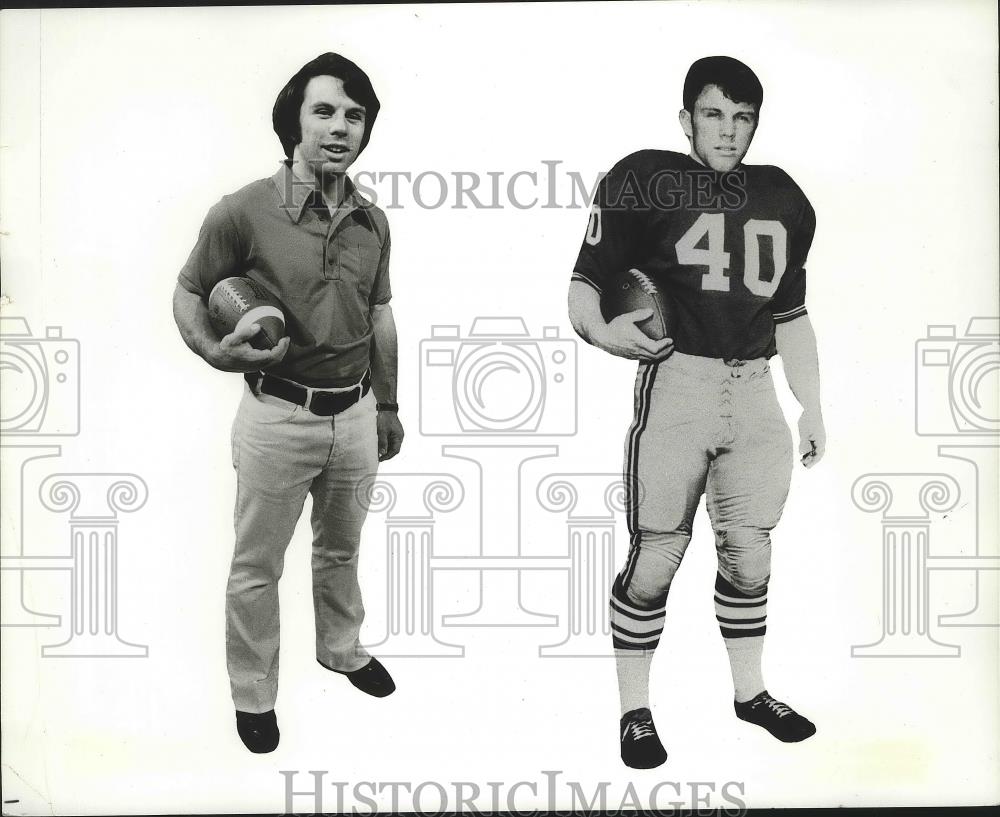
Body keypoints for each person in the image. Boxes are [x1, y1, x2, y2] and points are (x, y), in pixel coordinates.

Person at [567, 56, 825, 769]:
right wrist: (602, 331)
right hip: (677, 380)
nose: (728, 130)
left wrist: (811, 404)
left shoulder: (783, 197)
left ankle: (750, 693)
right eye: (714, 114)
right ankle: (635, 710)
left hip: (755, 389)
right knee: (657, 552)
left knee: (750, 554)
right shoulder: (645, 177)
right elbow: (584, 285)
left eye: (743, 118)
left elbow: (793, 312)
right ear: (686, 120)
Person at [172, 52, 404, 753]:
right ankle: (254, 694)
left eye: (354, 115)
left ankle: (341, 647)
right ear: (293, 121)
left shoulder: (372, 219)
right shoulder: (241, 210)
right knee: (256, 563)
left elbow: (382, 315)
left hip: (357, 415)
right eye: (325, 111)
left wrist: (389, 406)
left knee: (341, 547)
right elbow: (188, 293)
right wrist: (216, 351)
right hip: (278, 415)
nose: (341, 127)